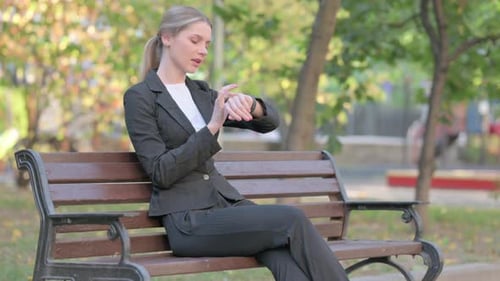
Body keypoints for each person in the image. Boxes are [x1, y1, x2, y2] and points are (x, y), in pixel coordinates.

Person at [123, 5, 349, 281]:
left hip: (227, 208)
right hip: (188, 222)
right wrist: (213, 126)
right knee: (292, 219)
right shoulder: (141, 97)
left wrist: (252, 105)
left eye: (207, 44)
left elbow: (269, 123)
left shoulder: (201, 93)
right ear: (167, 38)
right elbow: (160, 171)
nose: (203, 51)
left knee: (285, 258)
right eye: (195, 41)